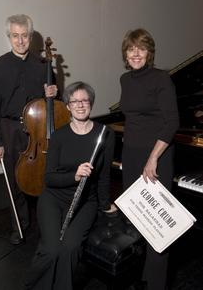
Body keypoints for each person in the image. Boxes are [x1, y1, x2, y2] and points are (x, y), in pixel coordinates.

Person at [24, 81, 115, 290]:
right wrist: (74, 176)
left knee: (71, 247)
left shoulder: (104, 134)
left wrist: (105, 205)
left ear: (91, 103)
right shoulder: (59, 136)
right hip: (54, 198)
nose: (80, 105)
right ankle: (33, 285)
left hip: (86, 201)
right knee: (52, 249)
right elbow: (49, 178)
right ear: (67, 106)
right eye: (75, 101)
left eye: (85, 100)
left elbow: (104, 176)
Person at [0, 14, 57, 245]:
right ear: (9, 37)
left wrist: (52, 96)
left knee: (41, 179)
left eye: (24, 35)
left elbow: (54, 105)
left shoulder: (43, 65)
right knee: (15, 181)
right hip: (9, 129)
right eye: (15, 36)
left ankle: (46, 224)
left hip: (35, 131)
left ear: (30, 37)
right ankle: (20, 226)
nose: (20, 41)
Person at [120, 28, 179, 290]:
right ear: (125, 53)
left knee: (157, 227)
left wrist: (152, 158)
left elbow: (171, 123)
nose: (136, 53)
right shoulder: (124, 79)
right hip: (131, 155)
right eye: (131, 49)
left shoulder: (161, 78)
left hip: (156, 158)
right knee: (134, 219)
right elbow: (132, 117)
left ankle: (156, 284)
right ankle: (138, 278)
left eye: (141, 49)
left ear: (149, 53)